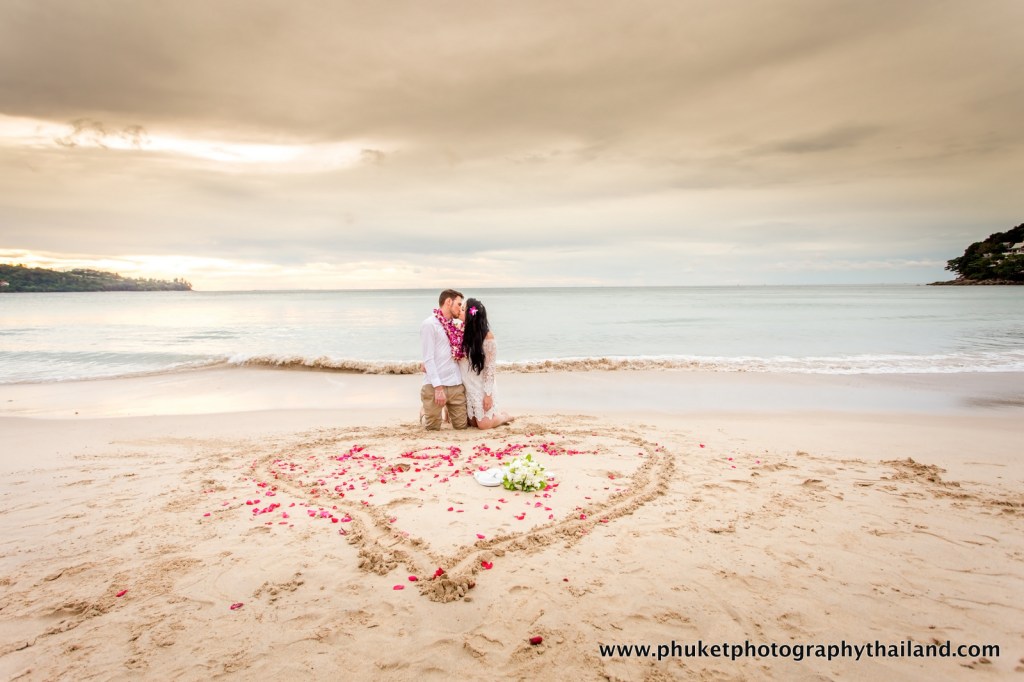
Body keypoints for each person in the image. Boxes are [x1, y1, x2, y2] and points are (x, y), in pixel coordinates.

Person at [458, 297, 513, 429]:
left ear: (470, 316)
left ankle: (505, 416)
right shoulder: (459, 332)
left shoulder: (487, 337)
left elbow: (490, 368)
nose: (459, 311)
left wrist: (488, 395)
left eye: (463, 309)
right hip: (468, 385)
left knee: (484, 425)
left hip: (481, 385)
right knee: (471, 423)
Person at [420, 289, 468, 430]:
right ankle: (424, 412)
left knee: (462, 426)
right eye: (459, 304)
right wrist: (438, 388)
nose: (460, 309)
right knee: (432, 427)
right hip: (435, 387)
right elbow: (428, 358)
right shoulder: (429, 324)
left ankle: (445, 412)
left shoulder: (455, 326)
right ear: (448, 302)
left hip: (455, 384)